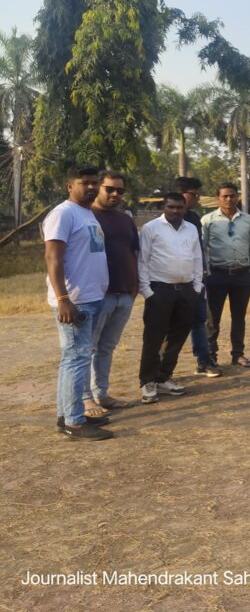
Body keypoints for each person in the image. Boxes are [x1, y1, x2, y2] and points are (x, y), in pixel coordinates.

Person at [44, 165, 112, 440]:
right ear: (70, 185)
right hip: (75, 301)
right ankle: (74, 422)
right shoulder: (63, 214)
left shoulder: (87, 213)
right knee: (76, 358)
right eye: (85, 182)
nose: (92, 187)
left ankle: (67, 415)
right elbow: (53, 258)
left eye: (95, 182)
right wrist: (63, 299)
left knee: (73, 359)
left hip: (92, 297)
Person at [137, 193, 203, 405]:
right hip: (160, 290)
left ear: (185, 208)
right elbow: (142, 260)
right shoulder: (151, 228)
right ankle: (148, 381)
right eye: (171, 207)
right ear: (163, 207)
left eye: (179, 207)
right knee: (153, 338)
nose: (175, 211)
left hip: (186, 290)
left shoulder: (191, 228)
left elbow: (197, 258)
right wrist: (147, 291)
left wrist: (196, 287)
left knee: (178, 336)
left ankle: (163, 377)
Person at [86, 170, 139, 416]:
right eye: (110, 189)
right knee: (87, 348)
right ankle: (85, 399)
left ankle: (102, 394)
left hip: (124, 294)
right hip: (98, 295)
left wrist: (134, 286)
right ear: (98, 187)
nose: (115, 194)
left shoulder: (125, 220)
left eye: (120, 190)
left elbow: (133, 253)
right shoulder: (87, 216)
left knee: (107, 347)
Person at [202, 183, 250, 368]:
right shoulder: (208, 220)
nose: (229, 199)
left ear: (238, 197)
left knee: (239, 317)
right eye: (225, 196)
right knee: (213, 318)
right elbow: (202, 248)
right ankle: (211, 356)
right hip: (217, 275)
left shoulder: (248, 220)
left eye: (232, 195)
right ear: (217, 198)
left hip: (242, 275)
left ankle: (238, 354)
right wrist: (207, 273)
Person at [175, 176, 218, 378]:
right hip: (172, 281)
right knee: (171, 325)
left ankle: (203, 361)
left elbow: (198, 249)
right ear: (181, 194)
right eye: (193, 194)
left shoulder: (193, 218)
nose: (197, 198)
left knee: (199, 321)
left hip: (196, 279)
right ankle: (162, 372)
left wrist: (203, 271)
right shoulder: (163, 222)